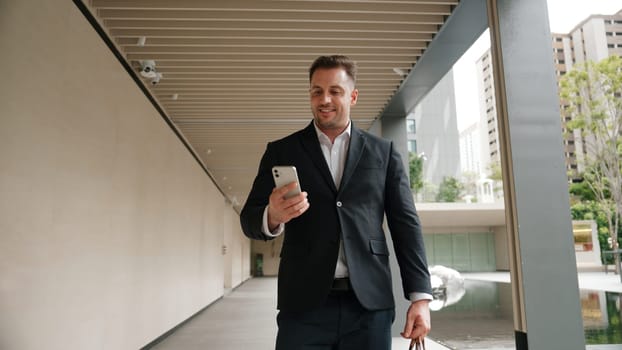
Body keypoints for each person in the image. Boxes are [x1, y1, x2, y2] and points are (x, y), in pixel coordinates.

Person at [240, 55, 432, 350]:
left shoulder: (383, 152)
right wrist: (273, 215)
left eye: (335, 91)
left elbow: (406, 225)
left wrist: (420, 298)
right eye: (316, 91)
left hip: (369, 307)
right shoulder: (281, 151)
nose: (324, 99)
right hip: (302, 307)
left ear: (353, 96)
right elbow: (249, 219)